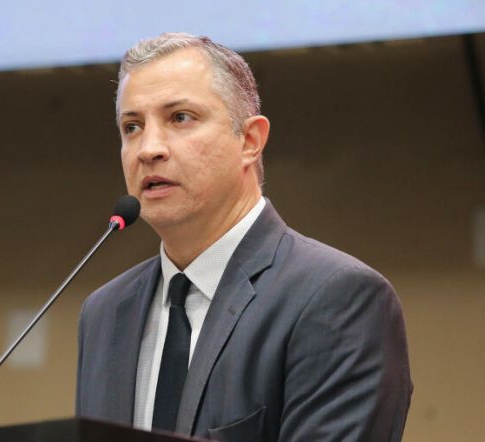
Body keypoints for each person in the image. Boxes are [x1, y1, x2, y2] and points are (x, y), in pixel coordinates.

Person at [76, 32, 412, 442]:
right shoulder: (105, 312)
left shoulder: (337, 298)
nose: (149, 149)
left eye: (180, 118)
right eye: (132, 126)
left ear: (250, 141)